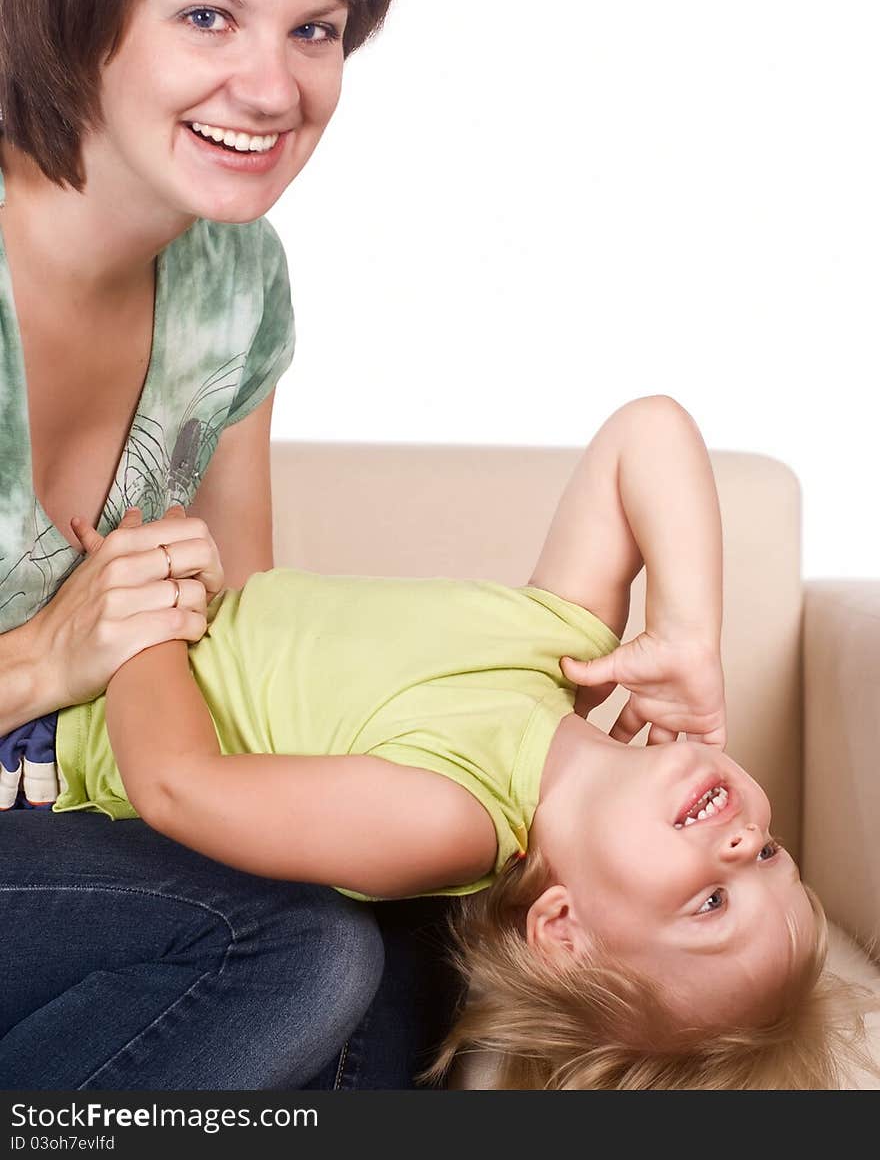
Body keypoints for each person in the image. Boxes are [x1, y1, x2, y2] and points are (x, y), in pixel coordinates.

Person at [0, 0, 450, 1090]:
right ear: (81, 11)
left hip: (67, 833)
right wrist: (44, 659)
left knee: (409, 943)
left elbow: (238, 636)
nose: (274, 86)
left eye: (316, 30)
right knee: (286, 947)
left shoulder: (236, 282)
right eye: (209, 17)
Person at [50, 396, 876, 1089]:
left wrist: (141, 609)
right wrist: (688, 630)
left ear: (562, 929)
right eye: (769, 854)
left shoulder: (452, 817)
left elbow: (177, 782)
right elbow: (646, 433)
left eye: (711, 903)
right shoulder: (559, 642)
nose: (740, 838)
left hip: (72, 735)